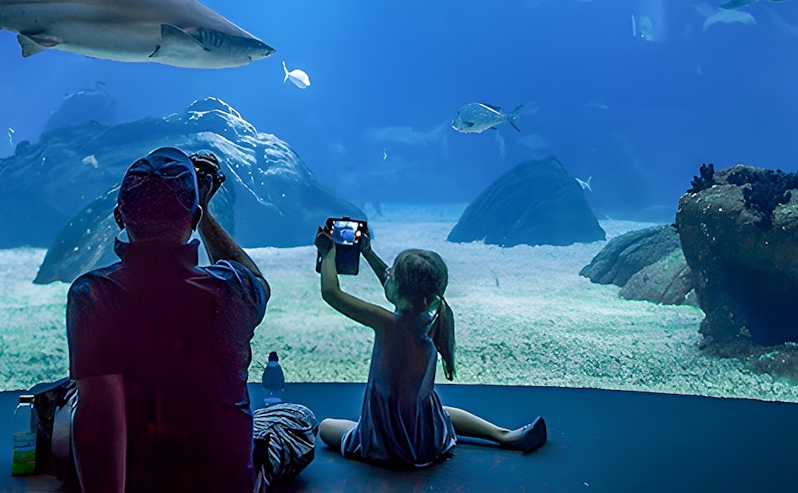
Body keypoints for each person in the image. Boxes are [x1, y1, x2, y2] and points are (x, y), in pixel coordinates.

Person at [65, 147, 316, 493]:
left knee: (77, 400)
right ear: (195, 217)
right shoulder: (231, 289)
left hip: (139, 478)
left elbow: (98, 419)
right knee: (296, 418)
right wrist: (207, 211)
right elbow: (259, 283)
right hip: (224, 483)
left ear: (120, 217)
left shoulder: (93, 296)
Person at [315, 230, 547, 468]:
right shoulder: (432, 320)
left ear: (400, 291)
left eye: (393, 273)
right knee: (441, 411)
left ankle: (379, 445)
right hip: (427, 437)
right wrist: (367, 252)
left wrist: (328, 254)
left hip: (390, 443)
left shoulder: (388, 324)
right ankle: (505, 435)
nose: (388, 273)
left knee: (326, 427)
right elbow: (396, 285)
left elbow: (331, 293)